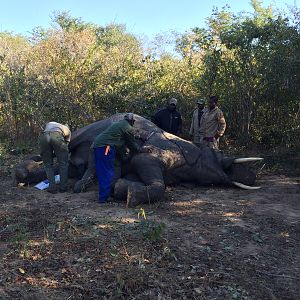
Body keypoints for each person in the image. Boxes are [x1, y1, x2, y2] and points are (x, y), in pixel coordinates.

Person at [74, 113, 143, 203]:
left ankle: (79, 188)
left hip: (96, 146)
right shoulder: (127, 127)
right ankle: (103, 198)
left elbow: (119, 143)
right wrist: (140, 149)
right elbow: (132, 144)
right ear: (132, 121)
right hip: (105, 148)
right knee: (106, 172)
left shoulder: (117, 125)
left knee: (93, 170)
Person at [39, 122, 71, 193]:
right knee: (63, 164)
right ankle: (63, 187)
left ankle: (52, 188)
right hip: (57, 136)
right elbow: (66, 144)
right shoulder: (67, 130)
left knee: (48, 165)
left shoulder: (50, 123)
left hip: (44, 137)